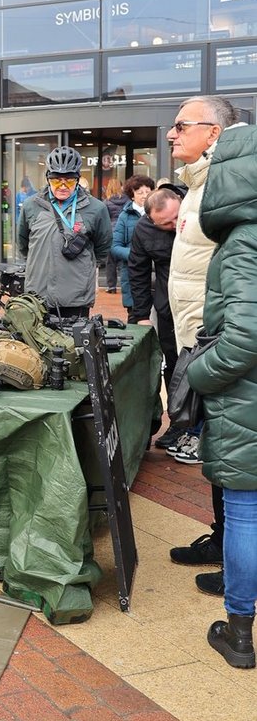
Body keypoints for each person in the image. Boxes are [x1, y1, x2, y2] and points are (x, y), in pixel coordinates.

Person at [186, 123, 257, 669]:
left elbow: (243, 339)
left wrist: (198, 376)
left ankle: (238, 633)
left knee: (245, 511)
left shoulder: (242, 245)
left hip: (245, 397)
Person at [165, 96, 238, 583]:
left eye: (180, 126)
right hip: (199, 338)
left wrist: (218, 343)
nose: (171, 134)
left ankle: (237, 558)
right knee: (215, 447)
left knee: (230, 451)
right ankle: (222, 539)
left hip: (218, 344)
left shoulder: (225, 186)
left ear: (213, 133)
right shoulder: (197, 186)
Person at [17, 145, 112, 320]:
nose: (62, 186)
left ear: (78, 179)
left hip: (76, 298)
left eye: (68, 180)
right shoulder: (31, 205)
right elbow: (23, 245)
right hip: (38, 297)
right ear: (47, 179)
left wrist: (84, 269)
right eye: (56, 180)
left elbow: (103, 247)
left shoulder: (96, 208)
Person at [129, 185, 184, 446]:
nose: (174, 225)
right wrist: (141, 315)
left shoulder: (195, 210)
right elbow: (137, 272)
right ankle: (178, 423)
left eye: (177, 217)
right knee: (173, 365)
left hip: (200, 304)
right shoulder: (143, 230)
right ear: (151, 219)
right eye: (166, 223)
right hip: (168, 307)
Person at [109, 175, 155, 322]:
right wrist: (137, 255)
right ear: (132, 195)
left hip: (157, 276)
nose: (144, 195)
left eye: (148, 191)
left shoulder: (157, 213)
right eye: (139, 192)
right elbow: (115, 247)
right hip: (132, 275)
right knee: (136, 318)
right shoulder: (125, 216)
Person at [104, 178, 127, 292]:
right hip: (124, 232)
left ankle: (111, 286)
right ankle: (125, 285)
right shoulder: (127, 201)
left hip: (112, 233)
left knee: (111, 262)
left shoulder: (106, 203)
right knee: (124, 261)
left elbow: (105, 220)